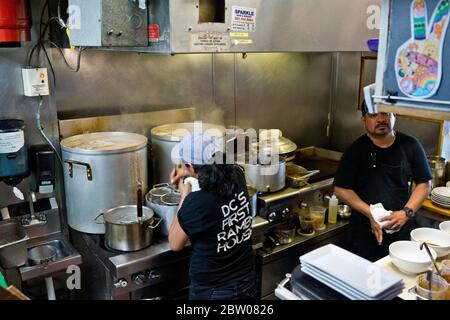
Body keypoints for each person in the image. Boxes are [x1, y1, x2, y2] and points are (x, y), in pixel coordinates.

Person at [333, 102, 432, 261]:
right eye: (373, 115)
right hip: (364, 232)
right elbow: (341, 189)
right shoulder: (355, 150)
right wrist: (370, 213)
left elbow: (424, 184)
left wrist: (406, 213)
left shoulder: (411, 145)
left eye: (385, 113)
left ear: (395, 115)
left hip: (402, 229)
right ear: (363, 120)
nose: (380, 119)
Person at [168, 130, 257, 300]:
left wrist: (184, 196)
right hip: (247, 282)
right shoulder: (237, 175)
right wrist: (188, 171)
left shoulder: (197, 202)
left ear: (193, 166)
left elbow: (174, 243)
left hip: (213, 292)